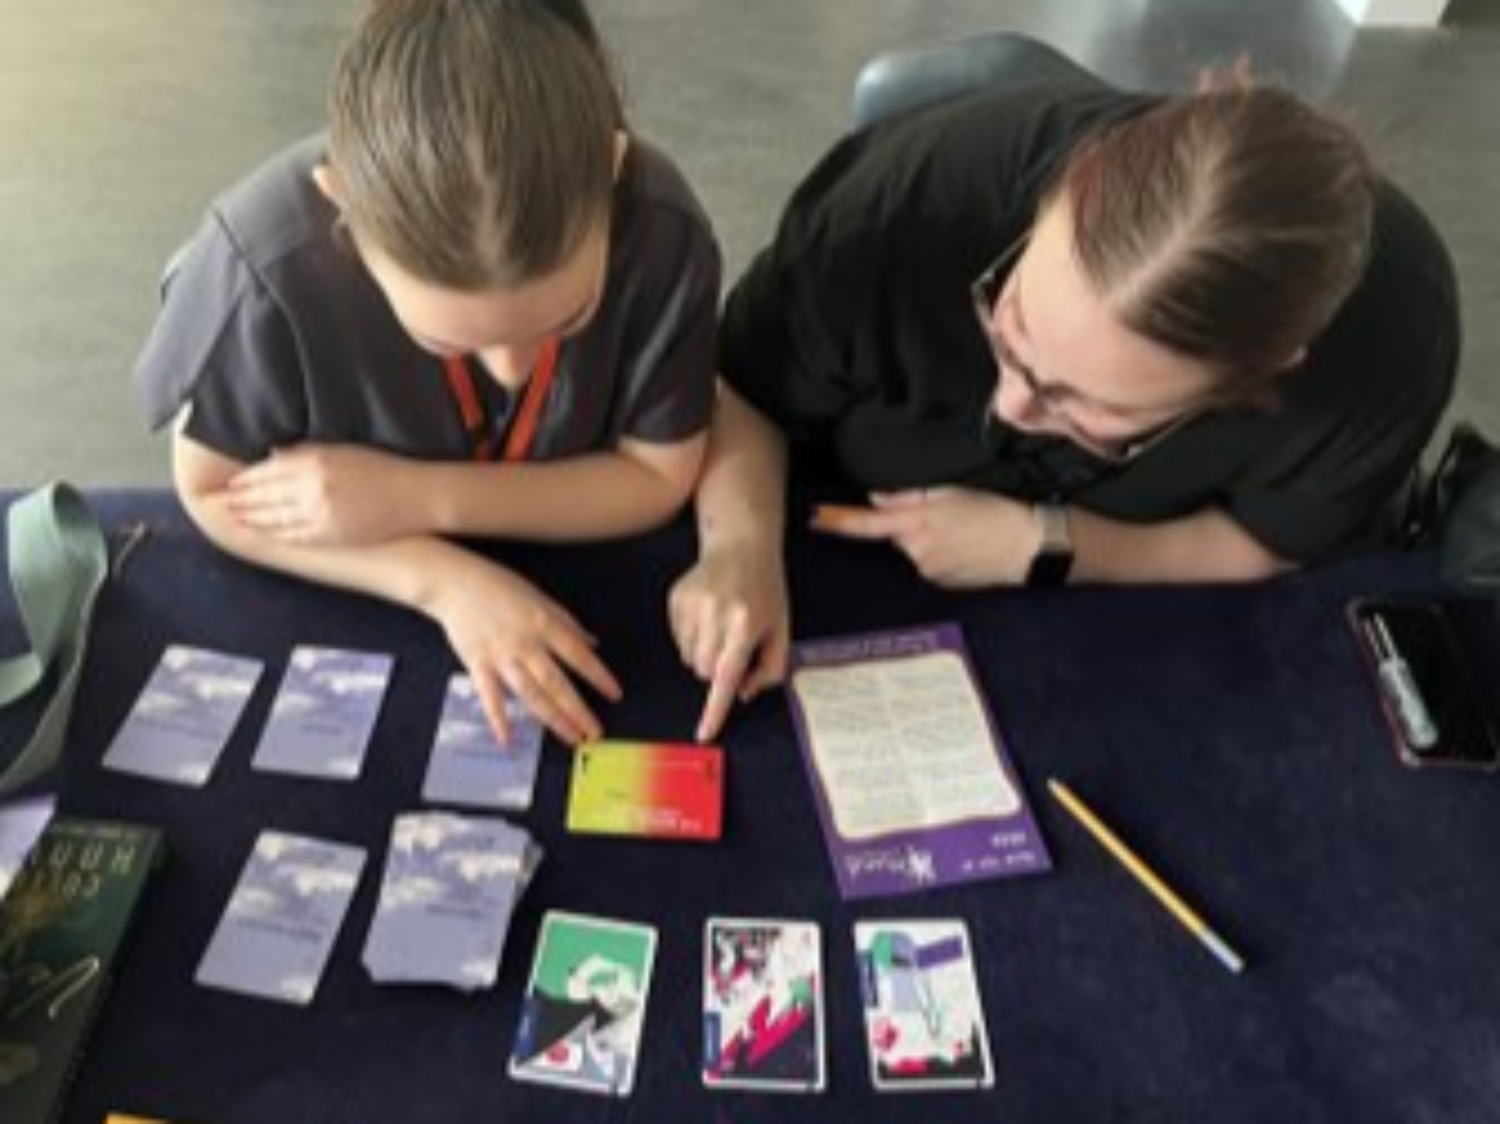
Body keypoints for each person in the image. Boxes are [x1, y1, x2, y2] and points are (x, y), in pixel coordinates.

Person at [670, 69, 1460, 742]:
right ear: (1062, 190)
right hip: (823, 528)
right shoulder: (903, 211)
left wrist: (1055, 544)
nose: (1010, 405)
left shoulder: (1391, 349)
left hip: (1118, 622)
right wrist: (738, 547)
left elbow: (1268, 539)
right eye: (1007, 321)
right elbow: (746, 385)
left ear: (1260, 377)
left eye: (1081, 405)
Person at [134, 0, 720, 747]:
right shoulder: (263, 269)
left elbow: (659, 476)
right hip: (370, 593)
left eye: (565, 320)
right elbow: (210, 490)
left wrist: (415, 496)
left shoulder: (665, 233)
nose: (510, 370)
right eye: (446, 339)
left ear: (612, 169)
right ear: (339, 203)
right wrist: (440, 582)